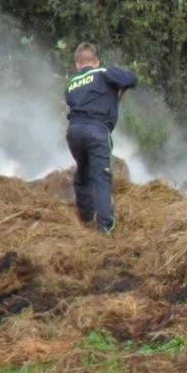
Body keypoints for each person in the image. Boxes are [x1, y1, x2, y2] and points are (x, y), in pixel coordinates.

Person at [64, 43, 138, 234]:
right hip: (96, 131)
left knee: (83, 172)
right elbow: (131, 79)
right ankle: (106, 228)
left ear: (77, 65)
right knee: (102, 177)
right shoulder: (103, 73)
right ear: (96, 62)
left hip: (74, 133)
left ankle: (87, 218)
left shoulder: (71, 84)